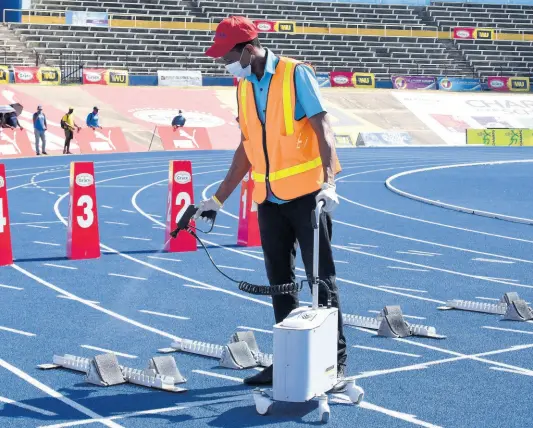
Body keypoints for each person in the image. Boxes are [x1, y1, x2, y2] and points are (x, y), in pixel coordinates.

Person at [196, 16, 346, 392]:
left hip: (308, 197)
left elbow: (322, 129)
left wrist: (329, 184)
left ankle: (334, 363)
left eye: (225, 54)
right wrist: (218, 199)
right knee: (280, 283)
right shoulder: (243, 87)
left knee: (321, 282)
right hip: (269, 200)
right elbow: (247, 148)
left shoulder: (296, 75)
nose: (221, 61)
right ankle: (287, 361)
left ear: (247, 49)